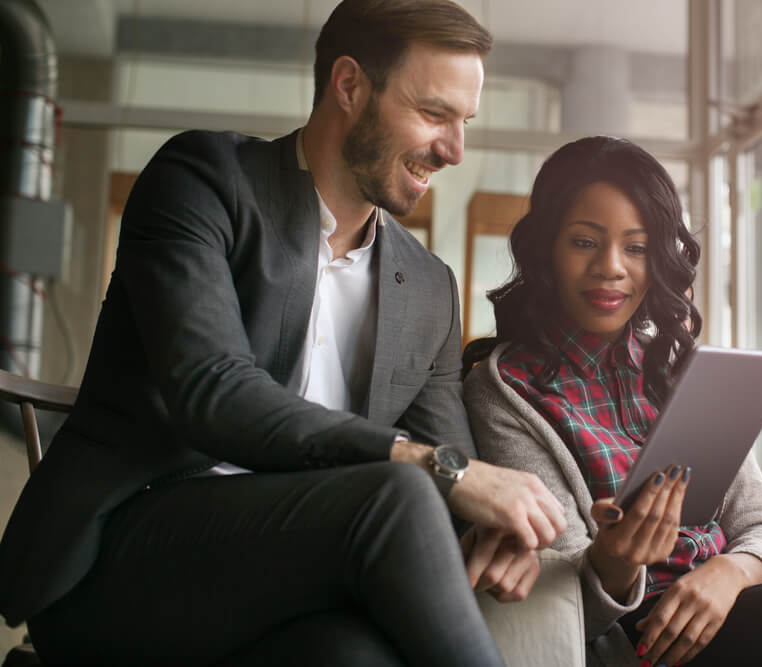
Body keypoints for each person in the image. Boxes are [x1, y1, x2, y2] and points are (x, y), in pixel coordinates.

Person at [0, 1, 567, 665]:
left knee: (355, 656)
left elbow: (453, 465)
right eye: (434, 114)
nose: (454, 149)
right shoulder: (203, 181)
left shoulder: (430, 288)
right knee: (401, 490)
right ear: (349, 85)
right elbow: (214, 390)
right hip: (121, 565)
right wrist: (424, 465)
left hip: (291, 581)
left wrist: (493, 531)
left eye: (463, 122)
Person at [462, 136, 762, 667]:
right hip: (650, 639)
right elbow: (555, 601)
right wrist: (615, 562)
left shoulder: (678, 367)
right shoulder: (504, 390)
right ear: (547, 249)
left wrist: (730, 572)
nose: (612, 267)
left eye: (637, 247)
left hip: (739, 602)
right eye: (584, 242)